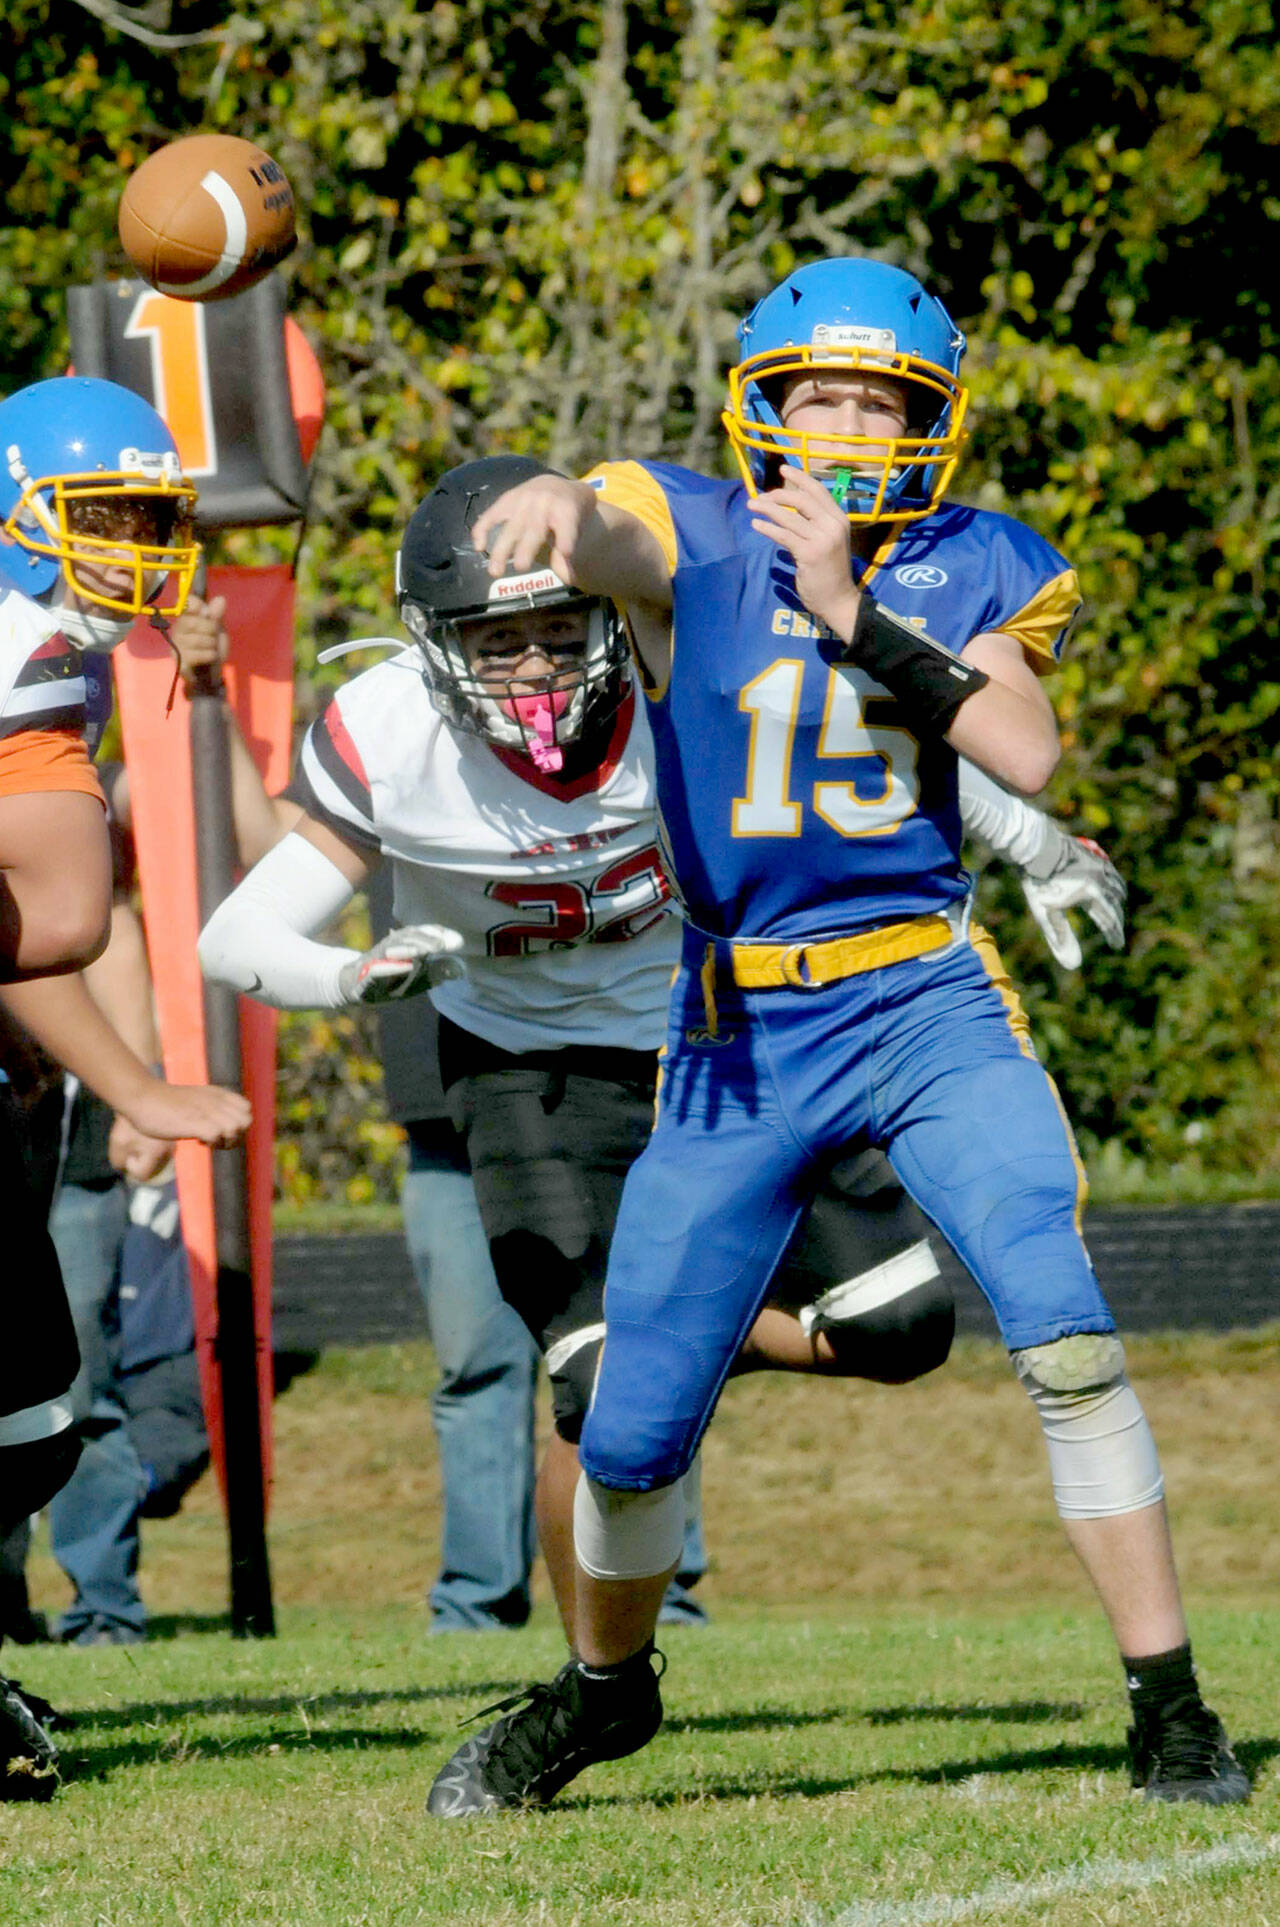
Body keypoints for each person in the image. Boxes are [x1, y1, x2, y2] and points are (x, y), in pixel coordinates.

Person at [420, 259, 1247, 1816]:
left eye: (885, 401)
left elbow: (1022, 747)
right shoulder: (700, 530)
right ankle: (604, 1695)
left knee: (1062, 1321)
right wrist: (554, 497)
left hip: (923, 992)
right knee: (632, 1422)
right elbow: (610, 522)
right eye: (824, 396)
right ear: (765, 407)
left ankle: (1174, 1702)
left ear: (930, 423)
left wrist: (859, 608)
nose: (854, 426)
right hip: (743, 1024)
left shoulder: (976, 559)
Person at [198, 457, 1124, 1645]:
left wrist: (1036, 844)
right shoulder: (392, 730)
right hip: (529, 1072)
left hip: (716, 1047)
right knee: (594, 1396)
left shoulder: (677, 679)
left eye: (554, 628)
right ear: (433, 645)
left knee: (902, 1331)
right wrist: (351, 976)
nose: (533, 666)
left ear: (604, 616)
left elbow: (861, 755)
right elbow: (237, 937)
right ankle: (592, 1675)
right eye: (498, 639)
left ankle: (689, 1326)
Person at [0, 374, 240, 1789]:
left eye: (153, 512)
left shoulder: (54, 644)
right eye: (108, 515)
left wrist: (105, 1074)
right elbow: (56, 920)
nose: (139, 542)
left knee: (30, 1413)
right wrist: (135, 1083)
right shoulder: (22, 642)